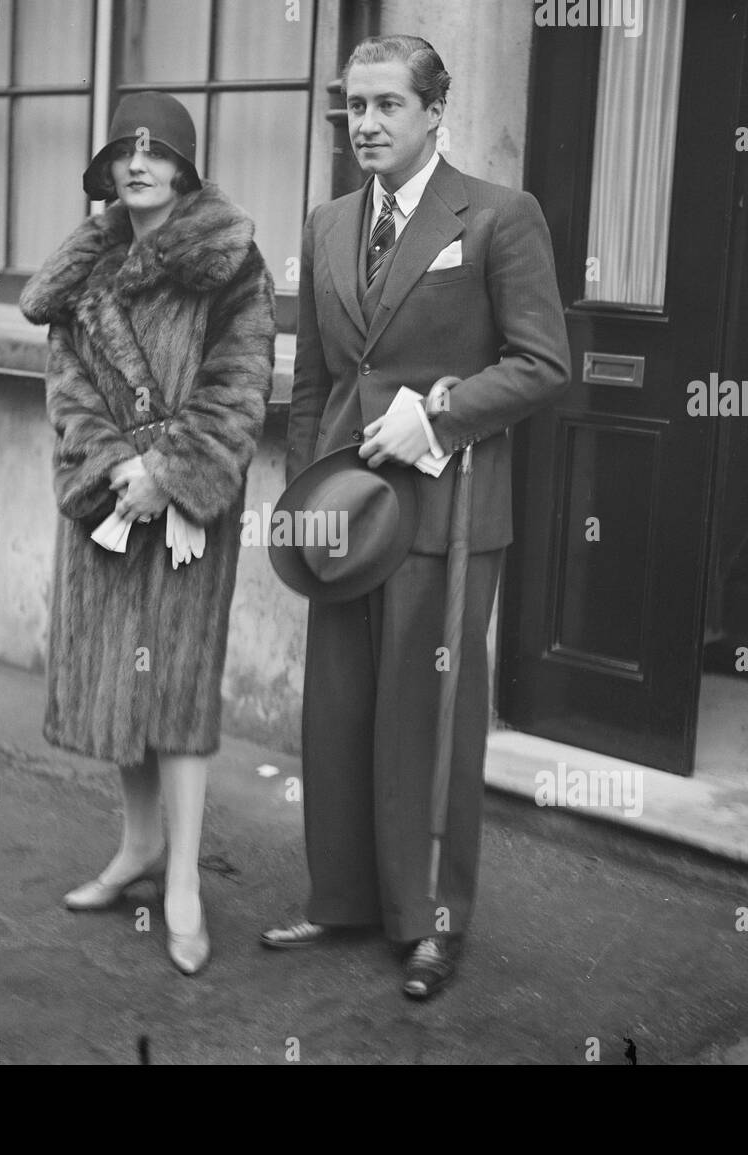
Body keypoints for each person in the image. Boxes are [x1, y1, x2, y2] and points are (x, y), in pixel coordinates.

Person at [263, 36, 570, 998]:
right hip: (345, 512)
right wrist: (308, 492)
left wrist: (434, 413)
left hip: (448, 509)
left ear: (437, 111)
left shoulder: (500, 218)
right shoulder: (325, 225)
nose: (367, 124)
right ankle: (343, 897)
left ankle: (430, 921)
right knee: (341, 708)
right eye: (355, 107)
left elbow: (542, 364)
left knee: (427, 717)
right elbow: (313, 380)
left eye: (389, 105)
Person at [20, 92, 275, 976]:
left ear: (184, 168)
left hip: (187, 512)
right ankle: (136, 849)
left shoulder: (231, 262)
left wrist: (166, 473)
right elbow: (66, 386)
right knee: (115, 691)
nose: (138, 166)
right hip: (105, 506)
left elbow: (242, 381)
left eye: (157, 153)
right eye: (124, 153)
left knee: (176, 693)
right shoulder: (82, 270)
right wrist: (111, 472)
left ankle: (185, 886)